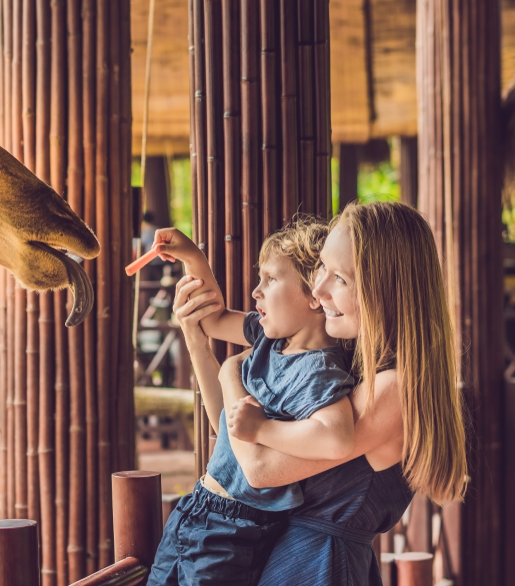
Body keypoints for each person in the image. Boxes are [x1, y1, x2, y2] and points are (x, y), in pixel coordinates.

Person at [176, 201, 467, 585]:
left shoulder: (393, 389)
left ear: (386, 289)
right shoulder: (353, 363)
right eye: (322, 270)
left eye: (340, 278)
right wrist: (196, 340)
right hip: (293, 560)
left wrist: (232, 371)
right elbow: (233, 440)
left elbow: (259, 468)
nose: (318, 289)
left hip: (320, 567)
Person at [146, 220, 357, 586]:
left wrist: (262, 429)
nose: (256, 292)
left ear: (313, 296)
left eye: (271, 279)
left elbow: (337, 436)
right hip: (197, 507)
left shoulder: (319, 370)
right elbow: (211, 319)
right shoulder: (267, 338)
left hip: (234, 531)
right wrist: (193, 258)